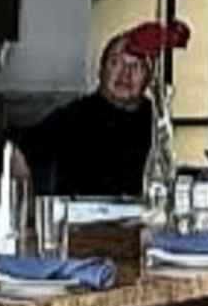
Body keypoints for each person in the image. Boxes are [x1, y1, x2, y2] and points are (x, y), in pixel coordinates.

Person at [19, 35, 164, 198]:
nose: (125, 73)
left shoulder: (159, 121)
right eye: (116, 62)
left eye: (136, 66)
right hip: (81, 219)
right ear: (101, 70)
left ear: (148, 78)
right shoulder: (73, 116)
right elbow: (19, 149)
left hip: (145, 219)